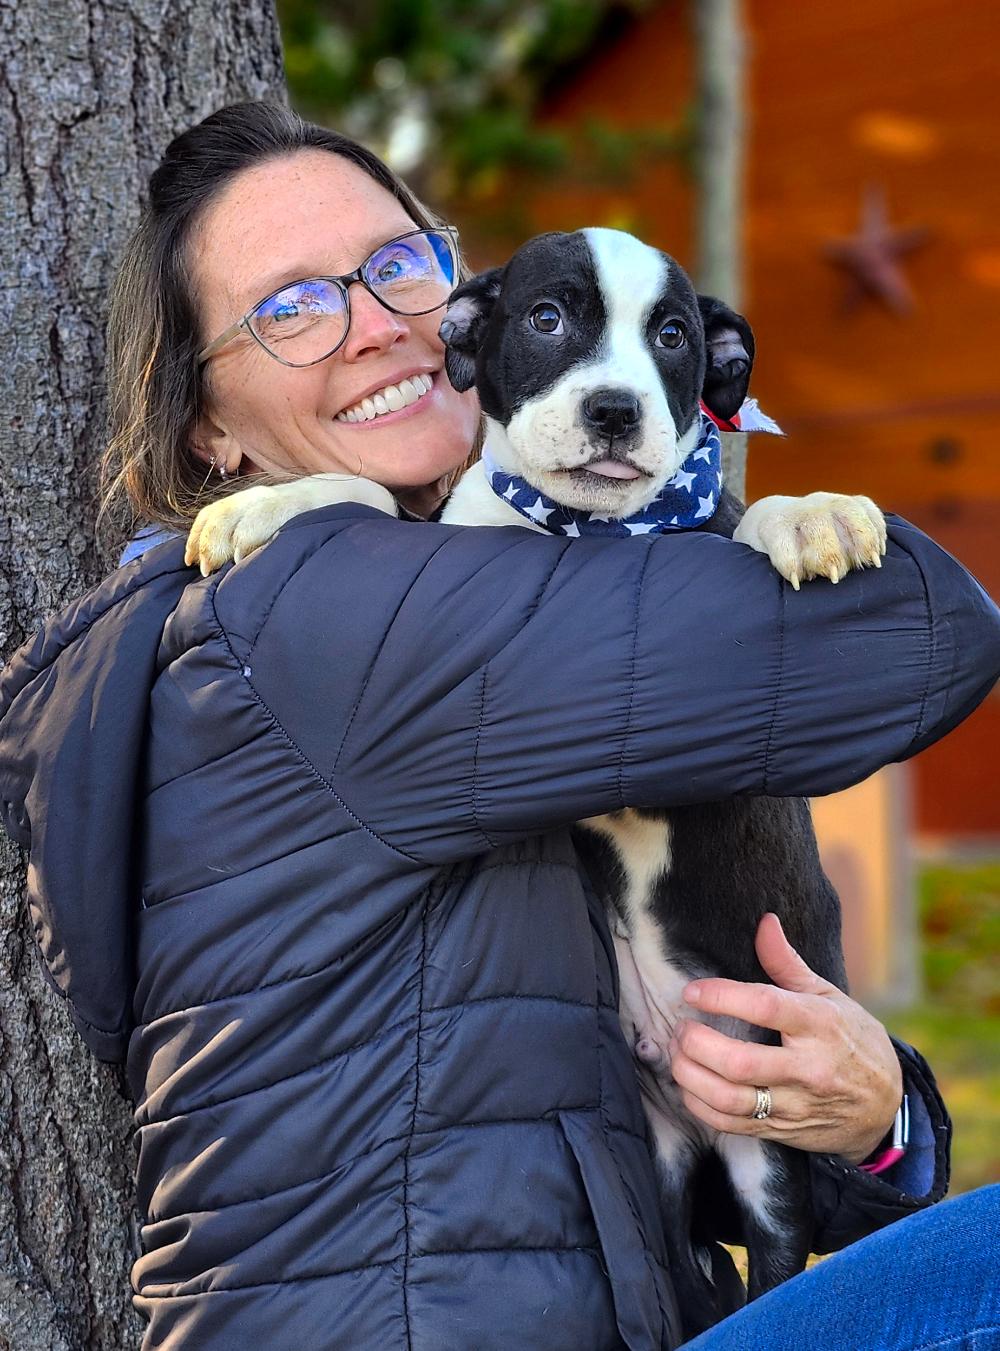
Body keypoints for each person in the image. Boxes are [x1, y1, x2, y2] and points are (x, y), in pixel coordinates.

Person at [0, 102, 997, 1351]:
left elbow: (689, 1138)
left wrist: (872, 1117)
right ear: (208, 423)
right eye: (291, 307)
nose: (377, 322)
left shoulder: (449, 606)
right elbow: (922, 632)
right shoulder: (317, 613)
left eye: (395, 264)